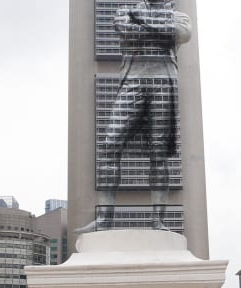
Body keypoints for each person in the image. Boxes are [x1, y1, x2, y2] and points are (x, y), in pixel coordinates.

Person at [80, 0, 191, 232]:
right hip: (133, 80)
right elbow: (128, 32)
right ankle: (105, 219)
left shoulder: (177, 15)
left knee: (159, 153)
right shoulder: (124, 12)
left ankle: (158, 220)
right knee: (110, 144)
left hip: (164, 81)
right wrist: (160, 29)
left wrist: (141, 20)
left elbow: (181, 33)